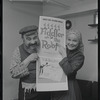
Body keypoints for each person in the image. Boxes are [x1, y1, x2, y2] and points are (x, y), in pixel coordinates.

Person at [10, 25, 50, 100]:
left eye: (35, 38)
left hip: (45, 88)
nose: (32, 42)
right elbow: (13, 73)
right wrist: (28, 59)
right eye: (28, 39)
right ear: (23, 39)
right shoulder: (18, 51)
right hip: (28, 91)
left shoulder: (43, 47)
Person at [51, 29, 85, 100]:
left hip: (70, 86)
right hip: (57, 83)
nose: (71, 43)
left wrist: (64, 55)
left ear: (79, 42)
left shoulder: (79, 56)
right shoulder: (63, 49)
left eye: (74, 41)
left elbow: (68, 71)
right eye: (69, 39)